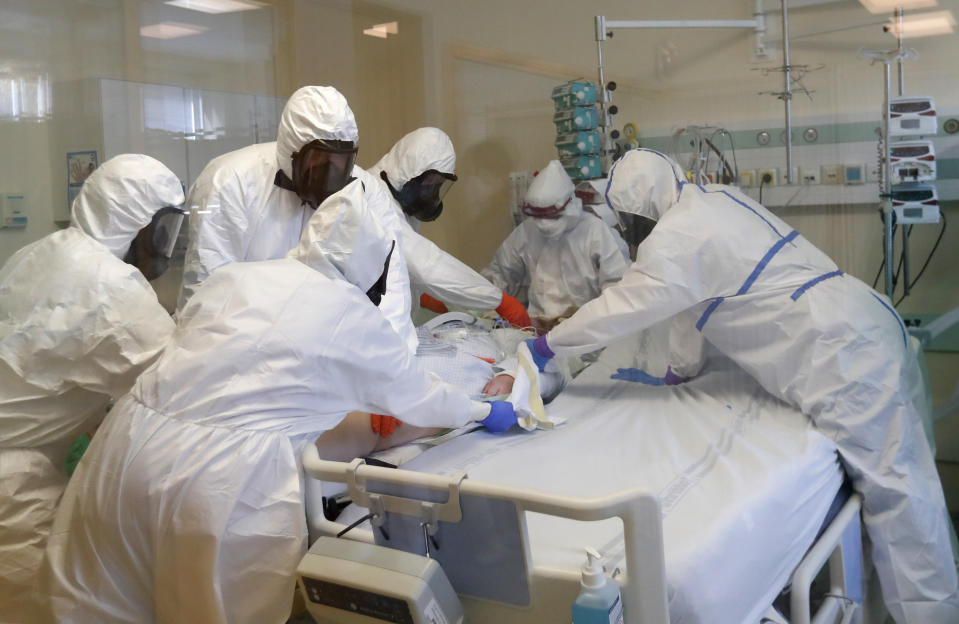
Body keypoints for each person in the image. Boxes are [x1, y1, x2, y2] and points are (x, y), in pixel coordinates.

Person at [41, 180, 516, 624]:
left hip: (124, 452)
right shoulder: (350, 313)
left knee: (104, 607)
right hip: (217, 484)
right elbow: (424, 398)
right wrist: (480, 410)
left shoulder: (236, 278)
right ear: (375, 265)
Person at [526, 148, 959, 623]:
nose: (629, 233)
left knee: (901, 498)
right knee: (914, 479)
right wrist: (680, 372)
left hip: (839, 352)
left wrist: (548, 346)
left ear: (639, 210)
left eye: (627, 221)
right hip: (863, 318)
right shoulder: (713, 201)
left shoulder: (676, 237)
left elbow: (621, 306)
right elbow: (694, 305)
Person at [0, 154, 184, 624]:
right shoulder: (112, 286)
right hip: (12, 482)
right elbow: (180, 382)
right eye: (161, 231)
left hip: (22, 458)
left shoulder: (44, 251)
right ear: (133, 224)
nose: (165, 247)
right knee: (41, 606)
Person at [177, 85, 419, 350]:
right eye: (319, 163)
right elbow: (207, 299)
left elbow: (390, 284)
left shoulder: (364, 190)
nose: (330, 178)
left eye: (341, 162)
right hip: (245, 347)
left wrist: (393, 357)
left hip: (332, 348)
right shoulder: (231, 181)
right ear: (290, 151)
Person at [367, 127, 530, 328]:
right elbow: (425, 262)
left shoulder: (399, 198)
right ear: (409, 170)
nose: (431, 194)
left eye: (437, 186)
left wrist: (422, 292)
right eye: (429, 185)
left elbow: (400, 262)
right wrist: (500, 301)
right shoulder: (371, 195)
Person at [482, 160, 630, 332]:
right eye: (539, 216)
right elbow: (499, 274)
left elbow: (619, 288)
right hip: (538, 328)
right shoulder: (527, 231)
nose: (544, 224)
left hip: (589, 330)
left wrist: (593, 323)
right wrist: (484, 305)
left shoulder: (596, 232)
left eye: (552, 215)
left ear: (571, 204)